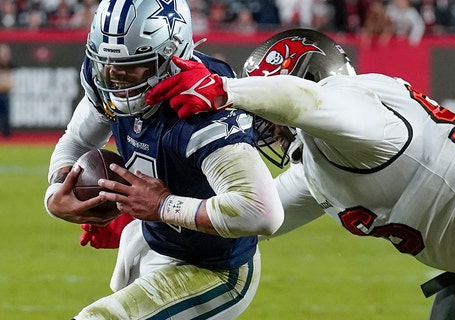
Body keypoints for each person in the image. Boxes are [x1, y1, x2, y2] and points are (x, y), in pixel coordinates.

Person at [145, 28, 455, 319]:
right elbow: (256, 215)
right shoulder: (319, 162)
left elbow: (306, 101)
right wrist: (147, 216)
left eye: (268, 116)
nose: (265, 132)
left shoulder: (359, 108)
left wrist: (226, 91)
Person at [43, 0, 284, 319]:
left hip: (214, 268)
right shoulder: (110, 76)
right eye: (109, 64)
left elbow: (263, 212)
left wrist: (164, 206)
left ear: (172, 57)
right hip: (155, 242)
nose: (116, 77)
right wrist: (56, 193)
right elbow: (78, 138)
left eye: (133, 65)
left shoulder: (203, 111)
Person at [0, 43, 13, 138]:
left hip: (4, 93)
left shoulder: (7, 66)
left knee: (5, 115)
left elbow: (10, 83)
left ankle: (6, 134)